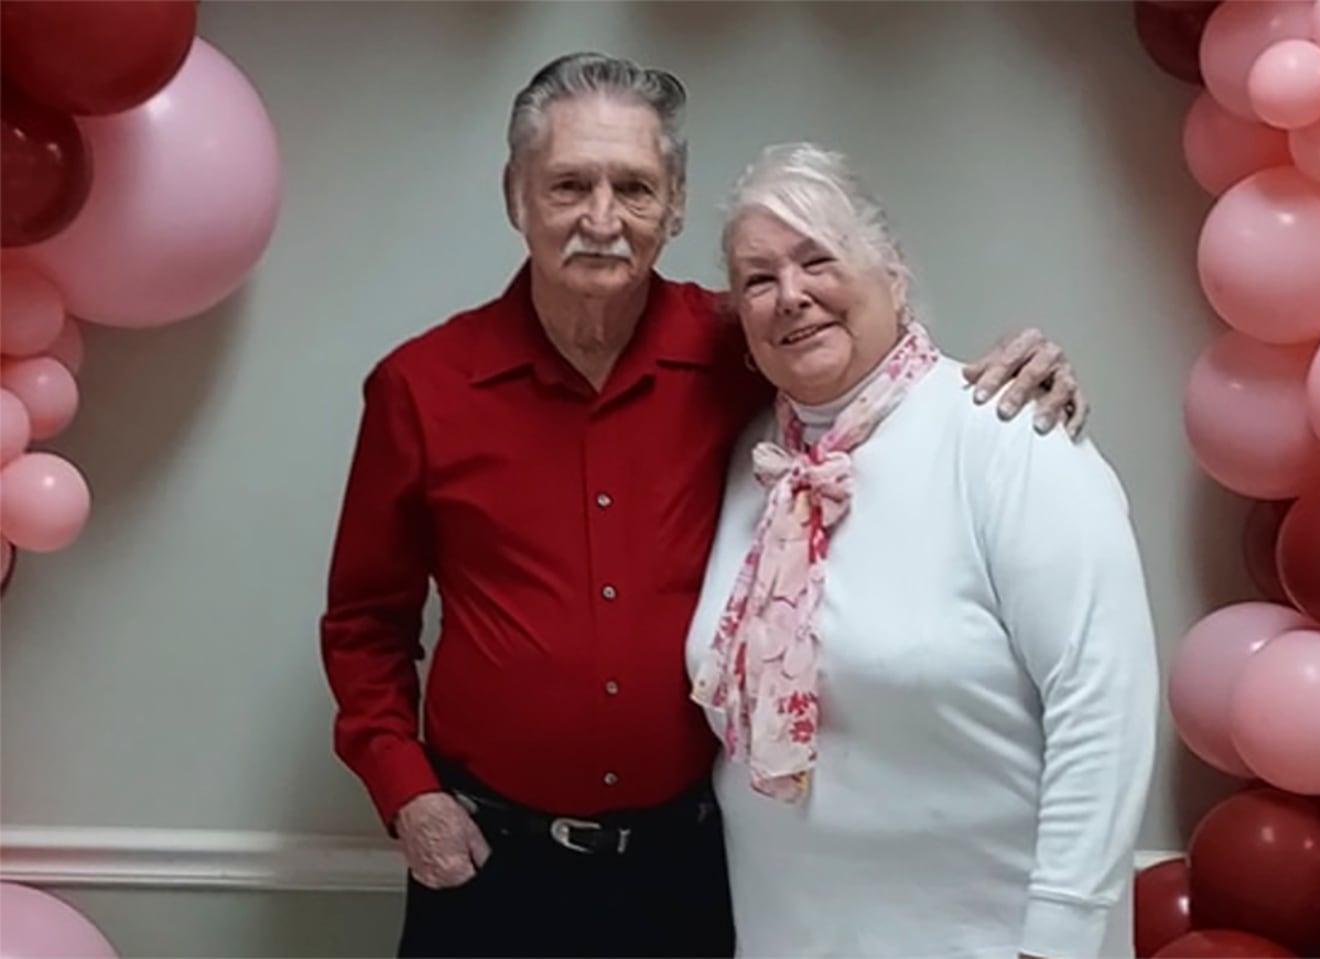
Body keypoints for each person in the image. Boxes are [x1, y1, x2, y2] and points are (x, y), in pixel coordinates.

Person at [319, 53, 1088, 959]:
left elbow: (873, 374)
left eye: (634, 188)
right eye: (569, 185)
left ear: (675, 205)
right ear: (515, 195)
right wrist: (404, 788)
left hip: (688, 871)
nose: (602, 220)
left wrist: (1003, 378)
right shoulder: (422, 387)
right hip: (492, 866)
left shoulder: (743, 346)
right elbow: (365, 624)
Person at [685, 142, 1159, 959]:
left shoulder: (1007, 436)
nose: (790, 295)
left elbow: (1103, 700)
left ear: (893, 273)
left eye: (817, 260)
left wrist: (1061, 935)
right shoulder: (750, 463)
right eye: (757, 280)